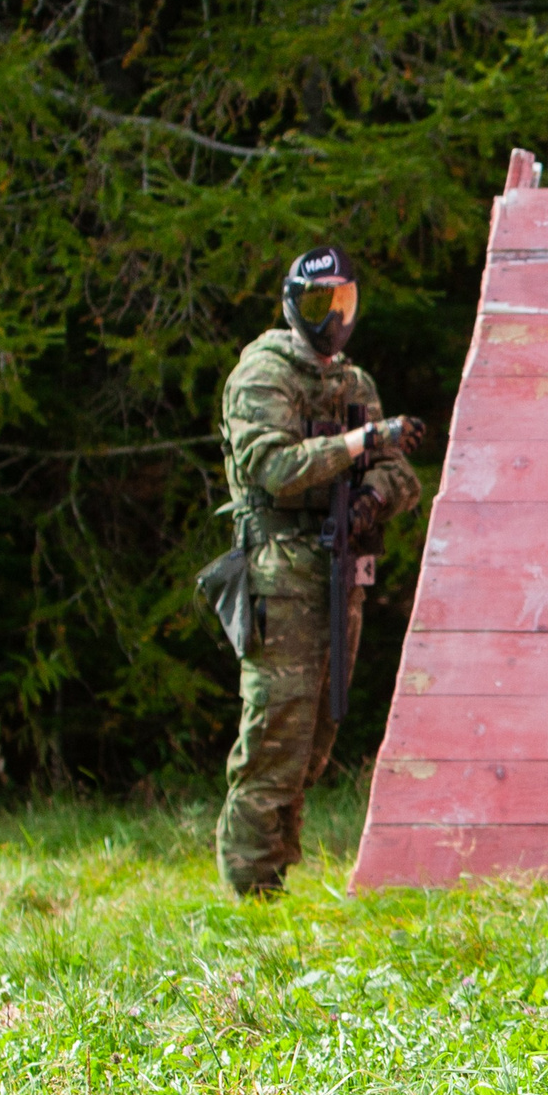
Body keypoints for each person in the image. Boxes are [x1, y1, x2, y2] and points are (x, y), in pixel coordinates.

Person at [215, 245, 426, 898]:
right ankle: (249, 885)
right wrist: (361, 444)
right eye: (319, 306)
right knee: (277, 727)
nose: (332, 320)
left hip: (339, 568)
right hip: (280, 568)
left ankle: (276, 872)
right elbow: (274, 467)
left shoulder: (352, 382)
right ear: (291, 304)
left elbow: (402, 473)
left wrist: (373, 496)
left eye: (343, 305)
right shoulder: (262, 374)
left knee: (318, 733)